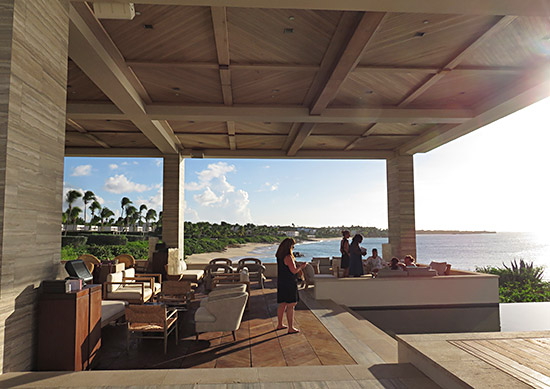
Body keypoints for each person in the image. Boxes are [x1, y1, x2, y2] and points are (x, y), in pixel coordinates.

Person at [276, 237, 306, 334]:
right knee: (291, 305)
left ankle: (280, 324)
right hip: (289, 283)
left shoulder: (279, 256)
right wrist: (301, 267)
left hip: (281, 282)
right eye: (293, 246)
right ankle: (290, 328)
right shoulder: (288, 257)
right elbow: (293, 271)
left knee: (282, 304)